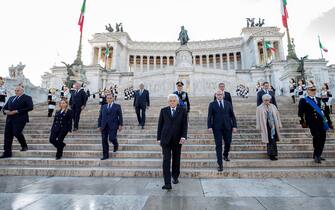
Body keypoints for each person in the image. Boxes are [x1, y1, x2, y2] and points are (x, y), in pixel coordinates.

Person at [157, 94, 188, 190]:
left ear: (177, 101)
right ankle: (167, 183)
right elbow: (160, 125)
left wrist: (184, 136)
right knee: (166, 160)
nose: (172, 102)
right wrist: (159, 138)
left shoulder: (182, 111)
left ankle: (175, 176)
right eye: (170, 100)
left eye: (174, 100)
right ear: (168, 102)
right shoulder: (163, 110)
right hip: (165, 139)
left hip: (177, 139)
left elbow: (184, 125)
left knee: (176, 159)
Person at [298, 83, 330, 163]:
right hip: (312, 123)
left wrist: (329, 122)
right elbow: (300, 113)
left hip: (322, 122)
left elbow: (325, 112)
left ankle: (318, 154)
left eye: (314, 90)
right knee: (317, 137)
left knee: (323, 138)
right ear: (308, 91)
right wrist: (302, 122)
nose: (313, 91)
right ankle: (317, 155)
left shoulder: (319, 99)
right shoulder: (304, 100)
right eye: (312, 90)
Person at [207, 90, 237, 171]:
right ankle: (220, 164)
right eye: (218, 94)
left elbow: (232, 115)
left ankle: (225, 154)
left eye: (221, 94)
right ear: (215, 95)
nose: (219, 96)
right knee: (218, 145)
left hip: (228, 127)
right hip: (217, 128)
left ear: (223, 95)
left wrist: (234, 126)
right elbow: (209, 116)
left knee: (228, 142)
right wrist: (209, 126)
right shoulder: (212, 104)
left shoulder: (228, 103)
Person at [0, 85, 33, 158]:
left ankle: (24, 145)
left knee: (16, 132)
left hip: (20, 119)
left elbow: (30, 107)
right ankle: (7, 153)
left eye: (18, 90)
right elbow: (4, 108)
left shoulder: (27, 98)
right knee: (7, 136)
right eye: (15, 90)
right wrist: (6, 111)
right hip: (9, 119)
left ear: (22, 91)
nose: (16, 92)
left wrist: (17, 111)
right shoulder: (11, 98)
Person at [256, 94, 282, 161]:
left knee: (273, 140)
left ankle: (274, 154)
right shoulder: (259, 108)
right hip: (266, 126)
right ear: (263, 100)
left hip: (273, 126)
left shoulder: (273, 106)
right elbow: (258, 118)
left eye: (268, 100)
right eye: (265, 100)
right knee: (270, 140)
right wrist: (258, 126)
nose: (267, 101)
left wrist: (279, 124)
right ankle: (271, 155)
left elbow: (277, 116)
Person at [98, 94, 123, 160]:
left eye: (110, 98)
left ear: (113, 99)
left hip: (113, 125)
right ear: (106, 99)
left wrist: (120, 124)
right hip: (104, 126)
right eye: (108, 98)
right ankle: (105, 155)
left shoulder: (117, 106)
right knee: (104, 141)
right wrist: (99, 125)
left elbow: (120, 116)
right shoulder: (103, 106)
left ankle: (115, 144)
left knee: (112, 138)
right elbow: (100, 116)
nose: (109, 99)